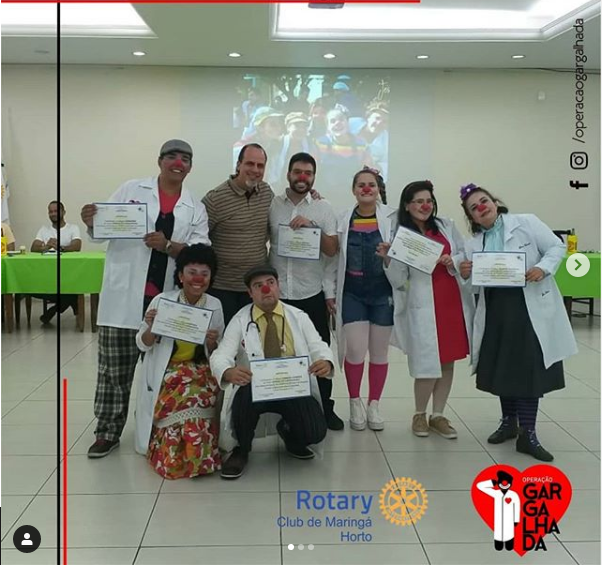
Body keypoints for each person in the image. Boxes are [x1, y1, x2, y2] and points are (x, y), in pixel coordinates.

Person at [81, 139, 210, 458]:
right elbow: (101, 229)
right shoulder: (131, 189)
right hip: (123, 300)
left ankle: (159, 431)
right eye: (172, 157)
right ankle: (107, 432)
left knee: (162, 374)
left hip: (166, 305)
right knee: (113, 372)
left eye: (185, 159)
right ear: (160, 160)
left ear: (190, 167)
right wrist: (91, 221)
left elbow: (200, 252)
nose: (178, 163)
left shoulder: (194, 207)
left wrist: (167, 245)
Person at [458, 183, 577, 461]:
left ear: (495, 202)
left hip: (528, 309)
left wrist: (542, 268)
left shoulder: (526, 223)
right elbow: (473, 284)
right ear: (472, 217)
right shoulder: (474, 243)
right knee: (504, 367)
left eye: (484, 201)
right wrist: (465, 272)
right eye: (474, 208)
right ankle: (509, 422)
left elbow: (556, 247)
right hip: (496, 311)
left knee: (527, 370)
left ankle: (528, 433)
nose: (481, 208)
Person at [211, 265, 333, 480]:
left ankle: (290, 434)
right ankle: (241, 449)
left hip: (292, 386)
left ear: (278, 286)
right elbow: (222, 354)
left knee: (315, 431)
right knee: (242, 406)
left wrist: (326, 362)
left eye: (270, 283)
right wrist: (227, 371)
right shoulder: (240, 319)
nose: (266, 289)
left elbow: (318, 345)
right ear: (250, 293)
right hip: (255, 388)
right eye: (258, 286)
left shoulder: (298, 316)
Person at [381, 181, 474, 439]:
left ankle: (438, 415)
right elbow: (398, 280)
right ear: (407, 206)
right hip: (422, 305)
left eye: (429, 201)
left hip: (450, 302)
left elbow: (464, 255)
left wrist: (452, 260)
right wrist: (389, 258)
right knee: (426, 364)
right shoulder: (402, 236)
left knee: (447, 361)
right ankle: (419, 414)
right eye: (419, 201)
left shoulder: (446, 226)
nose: (425, 206)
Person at [135, 244, 224, 479]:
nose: (198, 279)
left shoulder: (214, 305)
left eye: (204, 273)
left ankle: (197, 457)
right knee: (187, 397)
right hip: (168, 370)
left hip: (200, 369)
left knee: (196, 395)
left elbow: (219, 353)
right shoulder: (162, 301)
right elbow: (142, 344)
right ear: (181, 275)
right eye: (192, 272)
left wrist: (212, 342)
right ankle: (176, 456)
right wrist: (152, 327)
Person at [269, 152, 343, 430]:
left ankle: (325, 407)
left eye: (308, 173)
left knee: (319, 352)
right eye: (297, 172)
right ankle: (283, 410)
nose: (302, 177)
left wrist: (312, 227)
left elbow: (332, 249)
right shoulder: (272, 205)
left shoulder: (323, 208)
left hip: (310, 293)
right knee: (279, 354)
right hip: (277, 295)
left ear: (313, 177)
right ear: (288, 174)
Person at [333, 168, 396, 431]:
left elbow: (403, 259)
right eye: (361, 185)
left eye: (371, 184)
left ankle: (374, 404)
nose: (366, 189)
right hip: (352, 293)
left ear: (378, 189)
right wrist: (329, 292)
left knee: (379, 352)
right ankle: (355, 401)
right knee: (355, 351)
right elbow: (333, 260)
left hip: (383, 293)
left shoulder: (392, 219)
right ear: (354, 189)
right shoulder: (343, 218)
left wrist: (390, 256)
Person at [203, 144, 273, 325]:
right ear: (238, 165)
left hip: (256, 287)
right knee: (224, 339)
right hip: (222, 289)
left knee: (254, 339)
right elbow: (199, 240)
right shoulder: (215, 199)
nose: (255, 170)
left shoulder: (267, 194)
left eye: (260, 166)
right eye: (250, 164)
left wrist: (311, 196)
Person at [31, 201, 81, 324]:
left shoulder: (73, 228)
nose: (53, 214)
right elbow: (33, 247)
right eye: (50, 211)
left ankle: (53, 310)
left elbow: (77, 245)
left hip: (68, 274)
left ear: (63, 212)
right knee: (71, 293)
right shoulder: (44, 230)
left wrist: (60, 247)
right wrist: (46, 246)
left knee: (71, 287)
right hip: (47, 274)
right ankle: (71, 304)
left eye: (56, 211)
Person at [315, 107, 372, 191]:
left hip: (353, 192)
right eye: (333, 121)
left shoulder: (361, 144)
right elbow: (313, 169)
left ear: (347, 123)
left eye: (341, 120)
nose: (337, 123)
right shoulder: (319, 143)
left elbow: (368, 170)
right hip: (326, 191)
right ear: (327, 126)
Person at [477, 470, 520, 551]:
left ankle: (509, 543)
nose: (504, 484)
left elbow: (516, 507)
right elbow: (480, 486)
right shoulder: (496, 493)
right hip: (499, 520)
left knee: (509, 536)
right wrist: (490, 483)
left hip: (509, 520)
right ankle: (499, 543)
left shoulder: (513, 495)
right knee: (499, 536)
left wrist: (516, 519)